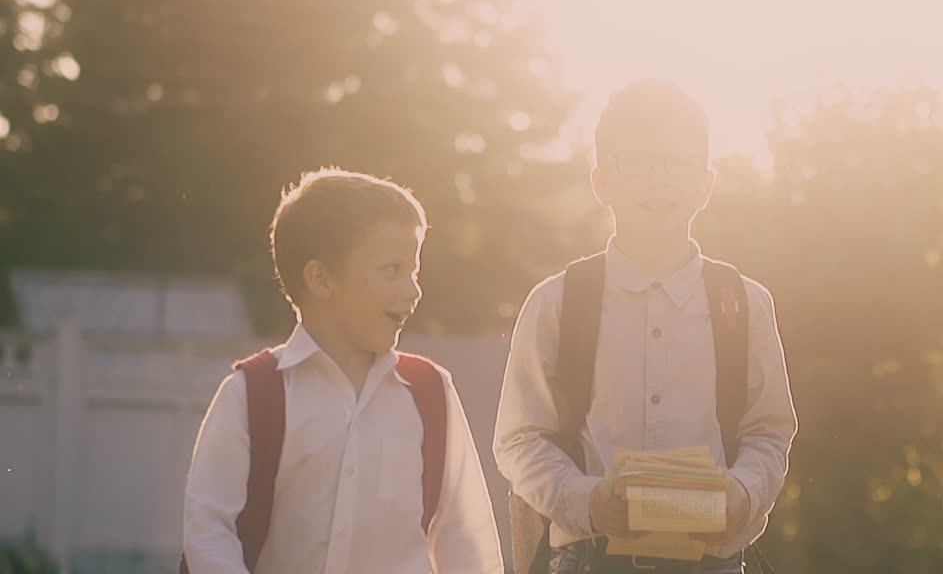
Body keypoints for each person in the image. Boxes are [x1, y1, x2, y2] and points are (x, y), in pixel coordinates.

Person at [495, 81, 798, 573]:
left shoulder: (744, 305)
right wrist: (589, 500)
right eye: (635, 162)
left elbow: (769, 432)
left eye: (678, 162)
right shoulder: (556, 302)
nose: (658, 180)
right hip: (587, 561)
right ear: (602, 182)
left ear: (705, 185)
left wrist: (743, 494)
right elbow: (519, 439)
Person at [182, 167, 503, 573]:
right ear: (321, 278)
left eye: (414, 271)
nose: (414, 289)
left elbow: (467, 543)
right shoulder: (253, 394)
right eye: (392, 270)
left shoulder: (430, 393)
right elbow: (208, 531)